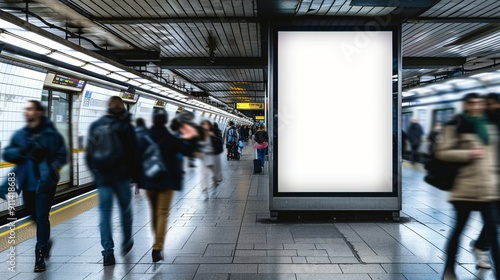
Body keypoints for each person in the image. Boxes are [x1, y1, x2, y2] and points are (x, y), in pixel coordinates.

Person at [436, 93, 500, 279]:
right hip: (464, 188)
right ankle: (449, 269)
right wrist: (468, 153)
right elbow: (442, 152)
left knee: (493, 233)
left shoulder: (489, 126)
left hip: (488, 189)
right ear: (465, 105)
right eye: (472, 103)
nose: (476, 106)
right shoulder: (456, 125)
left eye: (479, 103)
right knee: (458, 230)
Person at [1, 100, 68, 272]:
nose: (27, 112)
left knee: (42, 218)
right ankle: (45, 241)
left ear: (39, 112)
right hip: (27, 184)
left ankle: (39, 255)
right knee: (35, 217)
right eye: (26, 109)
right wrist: (22, 151)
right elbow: (8, 152)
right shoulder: (21, 135)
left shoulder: (52, 135)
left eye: (30, 109)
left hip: (45, 183)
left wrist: (52, 169)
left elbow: (62, 155)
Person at [137, 109, 199, 262]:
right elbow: (189, 151)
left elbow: (135, 159)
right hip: (167, 182)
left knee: (154, 212)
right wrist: (191, 134)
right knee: (162, 213)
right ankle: (157, 248)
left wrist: (136, 179)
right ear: (165, 121)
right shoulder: (171, 138)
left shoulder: (144, 137)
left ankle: (156, 240)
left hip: (149, 181)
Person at [85, 96, 139, 266]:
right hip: (122, 178)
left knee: (105, 215)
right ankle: (127, 240)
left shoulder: (96, 125)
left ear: (107, 108)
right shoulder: (126, 126)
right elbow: (134, 154)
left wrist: (96, 175)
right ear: (122, 108)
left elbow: (89, 154)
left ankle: (108, 252)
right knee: (125, 211)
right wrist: (135, 177)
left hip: (103, 178)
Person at [199, 120, 222, 195]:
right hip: (204, 156)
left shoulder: (215, 132)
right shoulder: (200, 134)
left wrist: (213, 136)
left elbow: (219, 142)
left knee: (214, 173)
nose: (205, 126)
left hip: (214, 155)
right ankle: (204, 190)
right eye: (203, 125)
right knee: (204, 174)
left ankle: (214, 185)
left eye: (206, 125)